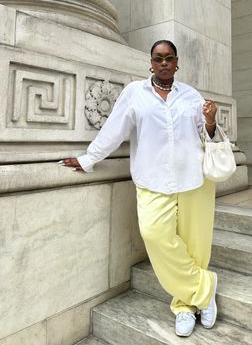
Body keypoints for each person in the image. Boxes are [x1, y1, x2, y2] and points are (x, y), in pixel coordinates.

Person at [61, 40, 218, 337]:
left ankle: (185, 306)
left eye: (169, 58)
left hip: (194, 180)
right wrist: (89, 158)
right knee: (155, 234)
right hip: (152, 180)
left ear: (177, 63)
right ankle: (204, 289)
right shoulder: (135, 93)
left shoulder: (190, 95)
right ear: (150, 61)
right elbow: (113, 130)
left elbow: (206, 134)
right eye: (158, 58)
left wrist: (209, 121)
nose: (163, 63)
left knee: (195, 244)